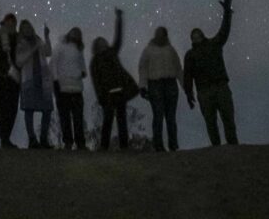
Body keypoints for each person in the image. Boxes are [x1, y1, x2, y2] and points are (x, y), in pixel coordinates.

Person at [183, 0, 238, 146]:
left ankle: (233, 147)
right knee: (210, 122)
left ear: (202, 35)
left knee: (228, 118)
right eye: (193, 36)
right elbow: (187, 75)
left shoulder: (214, 44)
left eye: (198, 34)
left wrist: (227, 12)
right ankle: (216, 149)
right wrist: (188, 93)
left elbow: (224, 30)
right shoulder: (190, 55)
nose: (196, 37)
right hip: (204, 91)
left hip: (221, 87)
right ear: (191, 39)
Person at [90, 8, 138, 150]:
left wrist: (119, 19)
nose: (103, 43)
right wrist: (100, 96)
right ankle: (104, 147)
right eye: (100, 42)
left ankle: (124, 147)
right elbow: (95, 80)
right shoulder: (95, 61)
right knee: (108, 120)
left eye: (104, 41)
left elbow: (118, 38)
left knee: (122, 120)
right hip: (107, 94)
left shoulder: (112, 52)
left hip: (120, 91)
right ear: (97, 46)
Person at [139, 26, 182, 151]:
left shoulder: (171, 50)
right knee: (158, 115)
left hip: (170, 83)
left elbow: (178, 68)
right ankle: (158, 145)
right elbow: (143, 68)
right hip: (155, 84)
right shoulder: (148, 50)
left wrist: (186, 87)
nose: (159, 36)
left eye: (161, 34)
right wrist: (142, 86)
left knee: (171, 116)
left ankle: (173, 145)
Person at [15, 19, 53, 148]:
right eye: (24, 28)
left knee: (47, 110)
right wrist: (32, 50)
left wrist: (46, 36)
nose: (28, 29)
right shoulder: (20, 43)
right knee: (29, 109)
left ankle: (43, 139)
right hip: (29, 79)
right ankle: (32, 139)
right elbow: (19, 61)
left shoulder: (38, 40)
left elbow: (48, 52)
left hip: (43, 79)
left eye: (29, 27)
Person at [53, 26, 88, 150]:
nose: (75, 35)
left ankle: (80, 143)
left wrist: (81, 72)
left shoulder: (79, 49)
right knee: (65, 116)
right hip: (62, 87)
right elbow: (54, 63)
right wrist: (56, 80)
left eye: (78, 33)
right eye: (74, 32)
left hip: (77, 87)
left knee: (78, 116)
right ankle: (68, 141)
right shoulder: (60, 46)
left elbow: (82, 66)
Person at [0, 12, 20, 148]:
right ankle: (4, 138)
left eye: (12, 22)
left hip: (13, 77)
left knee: (11, 107)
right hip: (2, 76)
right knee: (2, 107)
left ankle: (6, 138)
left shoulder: (18, 37)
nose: (10, 24)